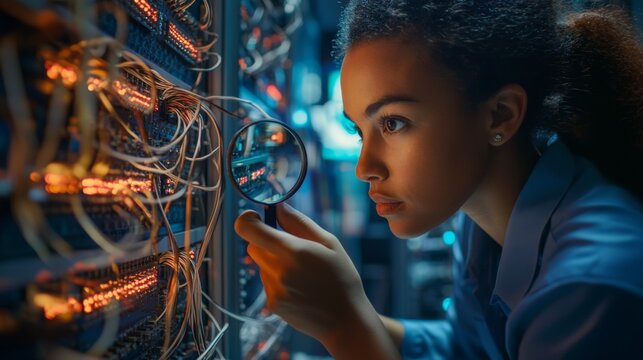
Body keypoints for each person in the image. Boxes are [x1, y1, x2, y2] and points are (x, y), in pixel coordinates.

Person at [234, 1, 643, 359]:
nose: (364, 167)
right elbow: (466, 348)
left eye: (393, 123)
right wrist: (341, 304)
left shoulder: (588, 287)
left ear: (500, 114)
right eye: (360, 131)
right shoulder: (481, 219)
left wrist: (344, 324)